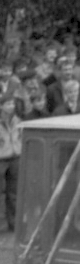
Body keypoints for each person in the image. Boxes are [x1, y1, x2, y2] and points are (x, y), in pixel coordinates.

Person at [0, 93, 21, 231]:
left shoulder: (17, 120)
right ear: (1, 106)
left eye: (12, 103)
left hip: (15, 158)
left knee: (13, 193)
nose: (11, 106)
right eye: (8, 104)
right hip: (1, 159)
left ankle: (13, 223)